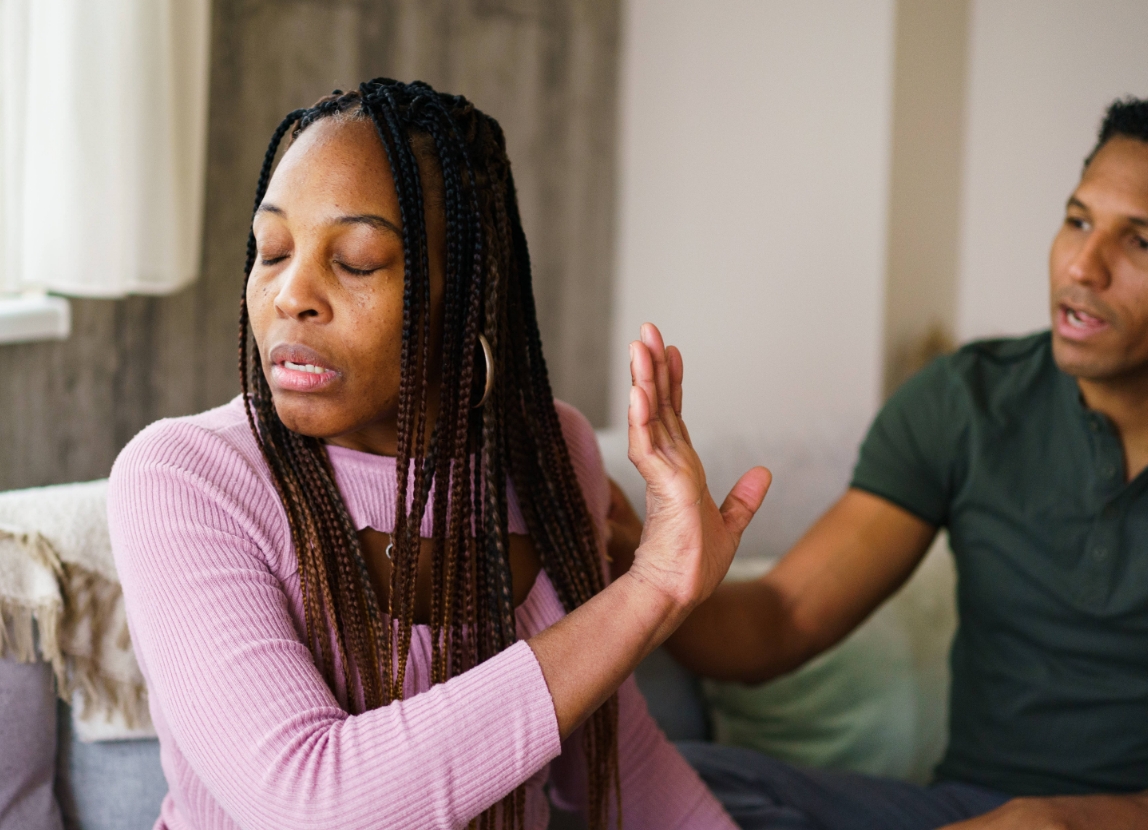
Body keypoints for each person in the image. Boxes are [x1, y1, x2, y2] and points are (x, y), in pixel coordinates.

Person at [108, 79, 771, 830]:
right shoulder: (185, 477)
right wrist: (650, 591)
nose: (292, 294)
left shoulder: (551, 456)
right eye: (272, 250)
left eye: (355, 260)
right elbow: (310, 804)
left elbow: (619, 768)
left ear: (463, 294)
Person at [609, 94, 1148, 829]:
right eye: (1078, 221)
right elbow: (781, 621)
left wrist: (1070, 822)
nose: (1083, 265)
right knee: (656, 782)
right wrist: (644, 561)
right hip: (967, 811)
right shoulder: (965, 402)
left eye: (1141, 243)